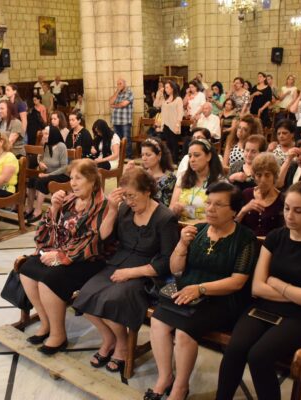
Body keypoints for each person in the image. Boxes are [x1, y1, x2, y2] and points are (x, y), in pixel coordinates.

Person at [217, 179, 301, 400]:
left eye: (298, 211)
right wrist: (298, 294)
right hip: (264, 307)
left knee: (259, 356)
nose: (289, 215)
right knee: (235, 349)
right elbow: (257, 288)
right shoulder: (275, 237)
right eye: (287, 208)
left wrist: (278, 284)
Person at [148, 182, 258, 400]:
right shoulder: (197, 230)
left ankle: (180, 388)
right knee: (158, 321)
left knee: (184, 331)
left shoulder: (245, 238)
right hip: (187, 292)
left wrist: (201, 289)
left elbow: (237, 282)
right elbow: (176, 270)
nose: (210, 209)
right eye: (208, 203)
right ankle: (165, 377)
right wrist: (181, 245)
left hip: (223, 299)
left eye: (218, 205)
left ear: (234, 210)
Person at [73, 168, 179, 375]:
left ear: (147, 191)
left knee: (112, 300)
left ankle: (121, 345)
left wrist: (131, 273)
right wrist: (113, 209)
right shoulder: (124, 210)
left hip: (147, 273)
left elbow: (167, 261)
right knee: (84, 296)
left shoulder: (165, 218)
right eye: (125, 196)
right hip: (118, 263)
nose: (129, 201)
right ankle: (109, 338)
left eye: (132, 196)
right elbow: (105, 238)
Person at [19, 159, 109, 354]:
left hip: (88, 259)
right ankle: (46, 323)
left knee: (49, 279)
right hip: (63, 251)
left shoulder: (102, 205)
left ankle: (58, 335)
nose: (73, 183)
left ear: (92, 180)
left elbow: (92, 241)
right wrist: (54, 208)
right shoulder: (69, 200)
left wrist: (60, 256)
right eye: (71, 178)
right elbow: (44, 232)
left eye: (78, 178)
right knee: (27, 268)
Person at [170, 138, 223, 223]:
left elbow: (220, 216)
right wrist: (175, 209)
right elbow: (171, 208)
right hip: (180, 226)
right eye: (190, 156)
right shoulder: (183, 177)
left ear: (208, 156)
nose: (192, 160)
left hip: (206, 227)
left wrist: (196, 225)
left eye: (197, 155)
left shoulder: (220, 182)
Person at [25, 126, 68, 223]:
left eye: (46, 134)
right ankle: (29, 209)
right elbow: (42, 159)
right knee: (32, 179)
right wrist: (40, 163)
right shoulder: (47, 145)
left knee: (41, 181)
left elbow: (64, 168)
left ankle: (38, 211)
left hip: (61, 175)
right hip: (48, 174)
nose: (44, 136)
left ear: (53, 134)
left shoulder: (61, 146)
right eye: (44, 133)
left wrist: (48, 175)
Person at [236, 152, 284, 237]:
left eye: (267, 175)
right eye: (259, 175)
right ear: (254, 176)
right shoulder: (246, 194)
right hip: (246, 242)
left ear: (274, 176)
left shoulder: (282, 199)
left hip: (271, 244)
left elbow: (284, 232)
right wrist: (244, 210)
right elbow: (233, 226)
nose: (263, 180)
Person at [126, 138, 176, 207]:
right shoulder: (141, 174)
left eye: (148, 155)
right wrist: (128, 176)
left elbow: (166, 206)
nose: (144, 158)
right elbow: (127, 196)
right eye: (142, 155)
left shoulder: (169, 178)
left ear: (159, 155)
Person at [156, 80, 184, 163]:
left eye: (167, 87)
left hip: (174, 124)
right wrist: (159, 94)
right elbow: (156, 104)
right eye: (165, 88)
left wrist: (178, 124)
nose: (165, 89)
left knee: (174, 144)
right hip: (165, 124)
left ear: (172, 88)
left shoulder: (178, 99)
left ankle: (174, 161)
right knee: (168, 144)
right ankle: (169, 161)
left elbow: (180, 113)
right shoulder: (165, 99)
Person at [109, 79, 134, 159]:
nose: (119, 85)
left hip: (125, 121)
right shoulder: (117, 93)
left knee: (126, 139)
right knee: (117, 140)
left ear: (124, 84)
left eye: (120, 83)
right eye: (118, 84)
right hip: (116, 121)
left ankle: (128, 157)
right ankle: (119, 156)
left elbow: (123, 104)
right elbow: (110, 102)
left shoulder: (129, 93)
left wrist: (114, 106)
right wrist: (117, 91)